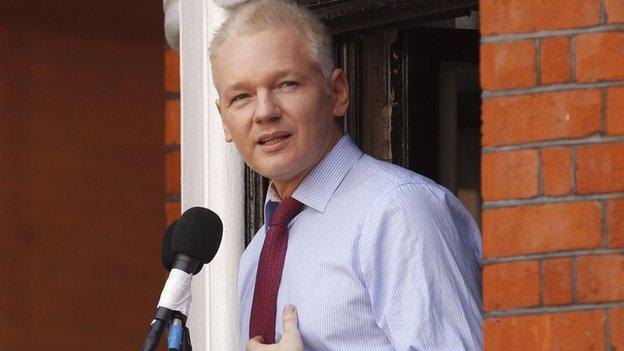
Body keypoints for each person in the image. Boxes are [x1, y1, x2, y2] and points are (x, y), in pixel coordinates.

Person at [210, 0, 483, 349]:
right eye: (242, 97)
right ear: (224, 121)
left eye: (286, 84)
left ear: (337, 92)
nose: (264, 112)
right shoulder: (256, 253)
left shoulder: (398, 211)